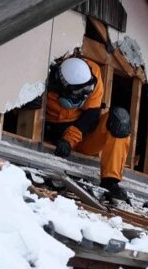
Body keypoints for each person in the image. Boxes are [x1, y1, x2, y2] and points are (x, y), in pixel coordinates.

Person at [44, 56, 132, 202]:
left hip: (82, 134)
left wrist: (69, 140)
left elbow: (90, 117)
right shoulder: (44, 80)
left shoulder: (94, 74)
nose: (84, 96)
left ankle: (110, 180)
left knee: (120, 119)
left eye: (86, 91)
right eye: (79, 93)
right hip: (50, 132)